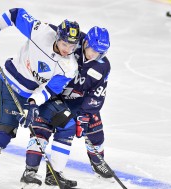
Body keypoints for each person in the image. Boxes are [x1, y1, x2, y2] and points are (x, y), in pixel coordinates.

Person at [0, 8, 81, 189]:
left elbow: (49, 90)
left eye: (72, 47)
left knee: (66, 122)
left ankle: (55, 175)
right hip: (9, 86)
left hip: (34, 95)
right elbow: (16, 14)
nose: (68, 50)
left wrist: (33, 103)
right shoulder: (41, 32)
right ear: (58, 37)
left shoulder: (69, 66)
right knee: (2, 135)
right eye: (65, 44)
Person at [20, 26, 112, 188]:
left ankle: (98, 162)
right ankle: (31, 169)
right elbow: (51, 32)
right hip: (52, 96)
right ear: (86, 42)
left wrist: (85, 115)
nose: (93, 54)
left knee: (94, 125)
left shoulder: (102, 66)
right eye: (92, 49)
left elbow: (96, 94)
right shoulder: (71, 44)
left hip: (78, 101)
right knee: (42, 127)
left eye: (99, 52)